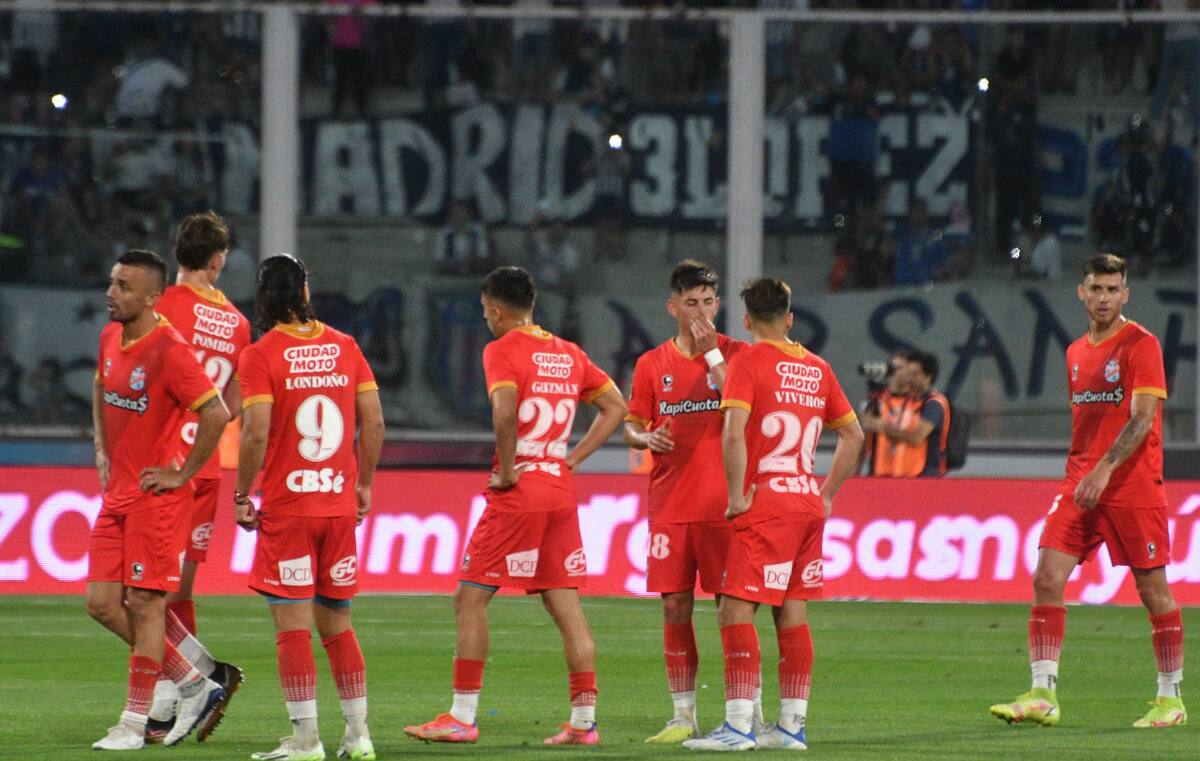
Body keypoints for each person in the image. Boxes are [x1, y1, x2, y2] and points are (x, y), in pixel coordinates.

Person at [405, 266, 627, 746]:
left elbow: (505, 412)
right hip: (557, 486)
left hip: (521, 485)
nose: (486, 319)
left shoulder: (502, 349)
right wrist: (574, 459)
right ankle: (584, 722)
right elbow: (616, 406)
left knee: (469, 597)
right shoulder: (568, 353)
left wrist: (507, 469)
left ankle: (462, 716)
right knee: (565, 604)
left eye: (486, 311)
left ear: (499, 311)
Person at [990, 254, 1186, 729]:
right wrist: (1087, 473)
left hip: (1131, 486)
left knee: (1152, 590)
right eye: (1095, 288)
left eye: (1112, 289)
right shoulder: (1076, 351)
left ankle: (1170, 700)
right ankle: (1042, 693)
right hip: (1080, 482)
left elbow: (1143, 419)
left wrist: (1104, 470)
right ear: (1081, 292)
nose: (1103, 298)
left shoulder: (1141, 345)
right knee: (1047, 575)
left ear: (1125, 294)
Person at [684, 277, 863, 752]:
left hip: (769, 503)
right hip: (805, 500)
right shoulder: (818, 367)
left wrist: (739, 498)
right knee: (792, 611)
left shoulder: (747, 362)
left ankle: (739, 726)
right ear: (789, 318)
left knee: (733, 609)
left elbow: (733, 433)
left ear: (745, 321)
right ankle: (790, 727)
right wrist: (826, 494)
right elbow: (855, 437)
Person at [235, 254, 385, 761]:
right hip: (338, 509)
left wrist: (241, 493)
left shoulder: (261, 355)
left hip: (289, 508)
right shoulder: (345, 346)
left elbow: (255, 431)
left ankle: (305, 740)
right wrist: (363, 484)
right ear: (304, 293)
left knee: (292, 626)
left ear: (262, 297)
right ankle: (359, 736)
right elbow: (375, 423)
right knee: (338, 624)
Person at [87, 249, 231, 750]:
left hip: (155, 496)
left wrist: (181, 473)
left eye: (124, 286)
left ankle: (132, 723)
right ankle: (194, 684)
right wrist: (102, 447)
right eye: (112, 282)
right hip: (117, 494)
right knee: (102, 604)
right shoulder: (110, 336)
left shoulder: (170, 349)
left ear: (152, 297)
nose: (112, 293)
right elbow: (101, 382)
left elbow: (217, 413)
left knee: (147, 605)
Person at [623, 260, 750, 743]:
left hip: (725, 503)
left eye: (708, 302)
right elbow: (633, 421)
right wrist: (643, 438)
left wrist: (713, 352)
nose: (700, 312)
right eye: (690, 303)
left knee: (732, 608)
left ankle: (746, 711)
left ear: (718, 305)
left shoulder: (736, 354)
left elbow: (739, 397)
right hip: (671, 505)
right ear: (672, 306)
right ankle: (683, 715)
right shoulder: (652, 364)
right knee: (674, 606)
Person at [144, 211, 251, 740]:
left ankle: (194, 678)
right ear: (218, 260)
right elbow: (230, 406)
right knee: (179, 588)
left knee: (143, 591)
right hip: (205, 465)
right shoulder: (237, 322)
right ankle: (170, 698)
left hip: (163, 463)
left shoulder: (159, 307)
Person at [861, 350, 950, 478]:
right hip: (903, 475)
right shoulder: (911, 401)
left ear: (928, 377)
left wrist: (883, 428)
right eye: (908, 373)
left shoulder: (934, 403)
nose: (909, 378)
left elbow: (916, 437)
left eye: (914, 374)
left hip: (927, 476)